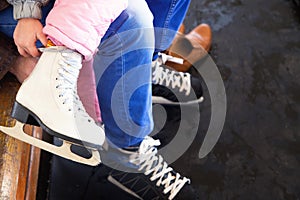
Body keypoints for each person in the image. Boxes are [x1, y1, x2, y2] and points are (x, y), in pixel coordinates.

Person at [0, 0, 211, 199]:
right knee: (131, 21)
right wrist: (12, 59)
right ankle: (125, 153)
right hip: (18, 15)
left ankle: (141, 67)